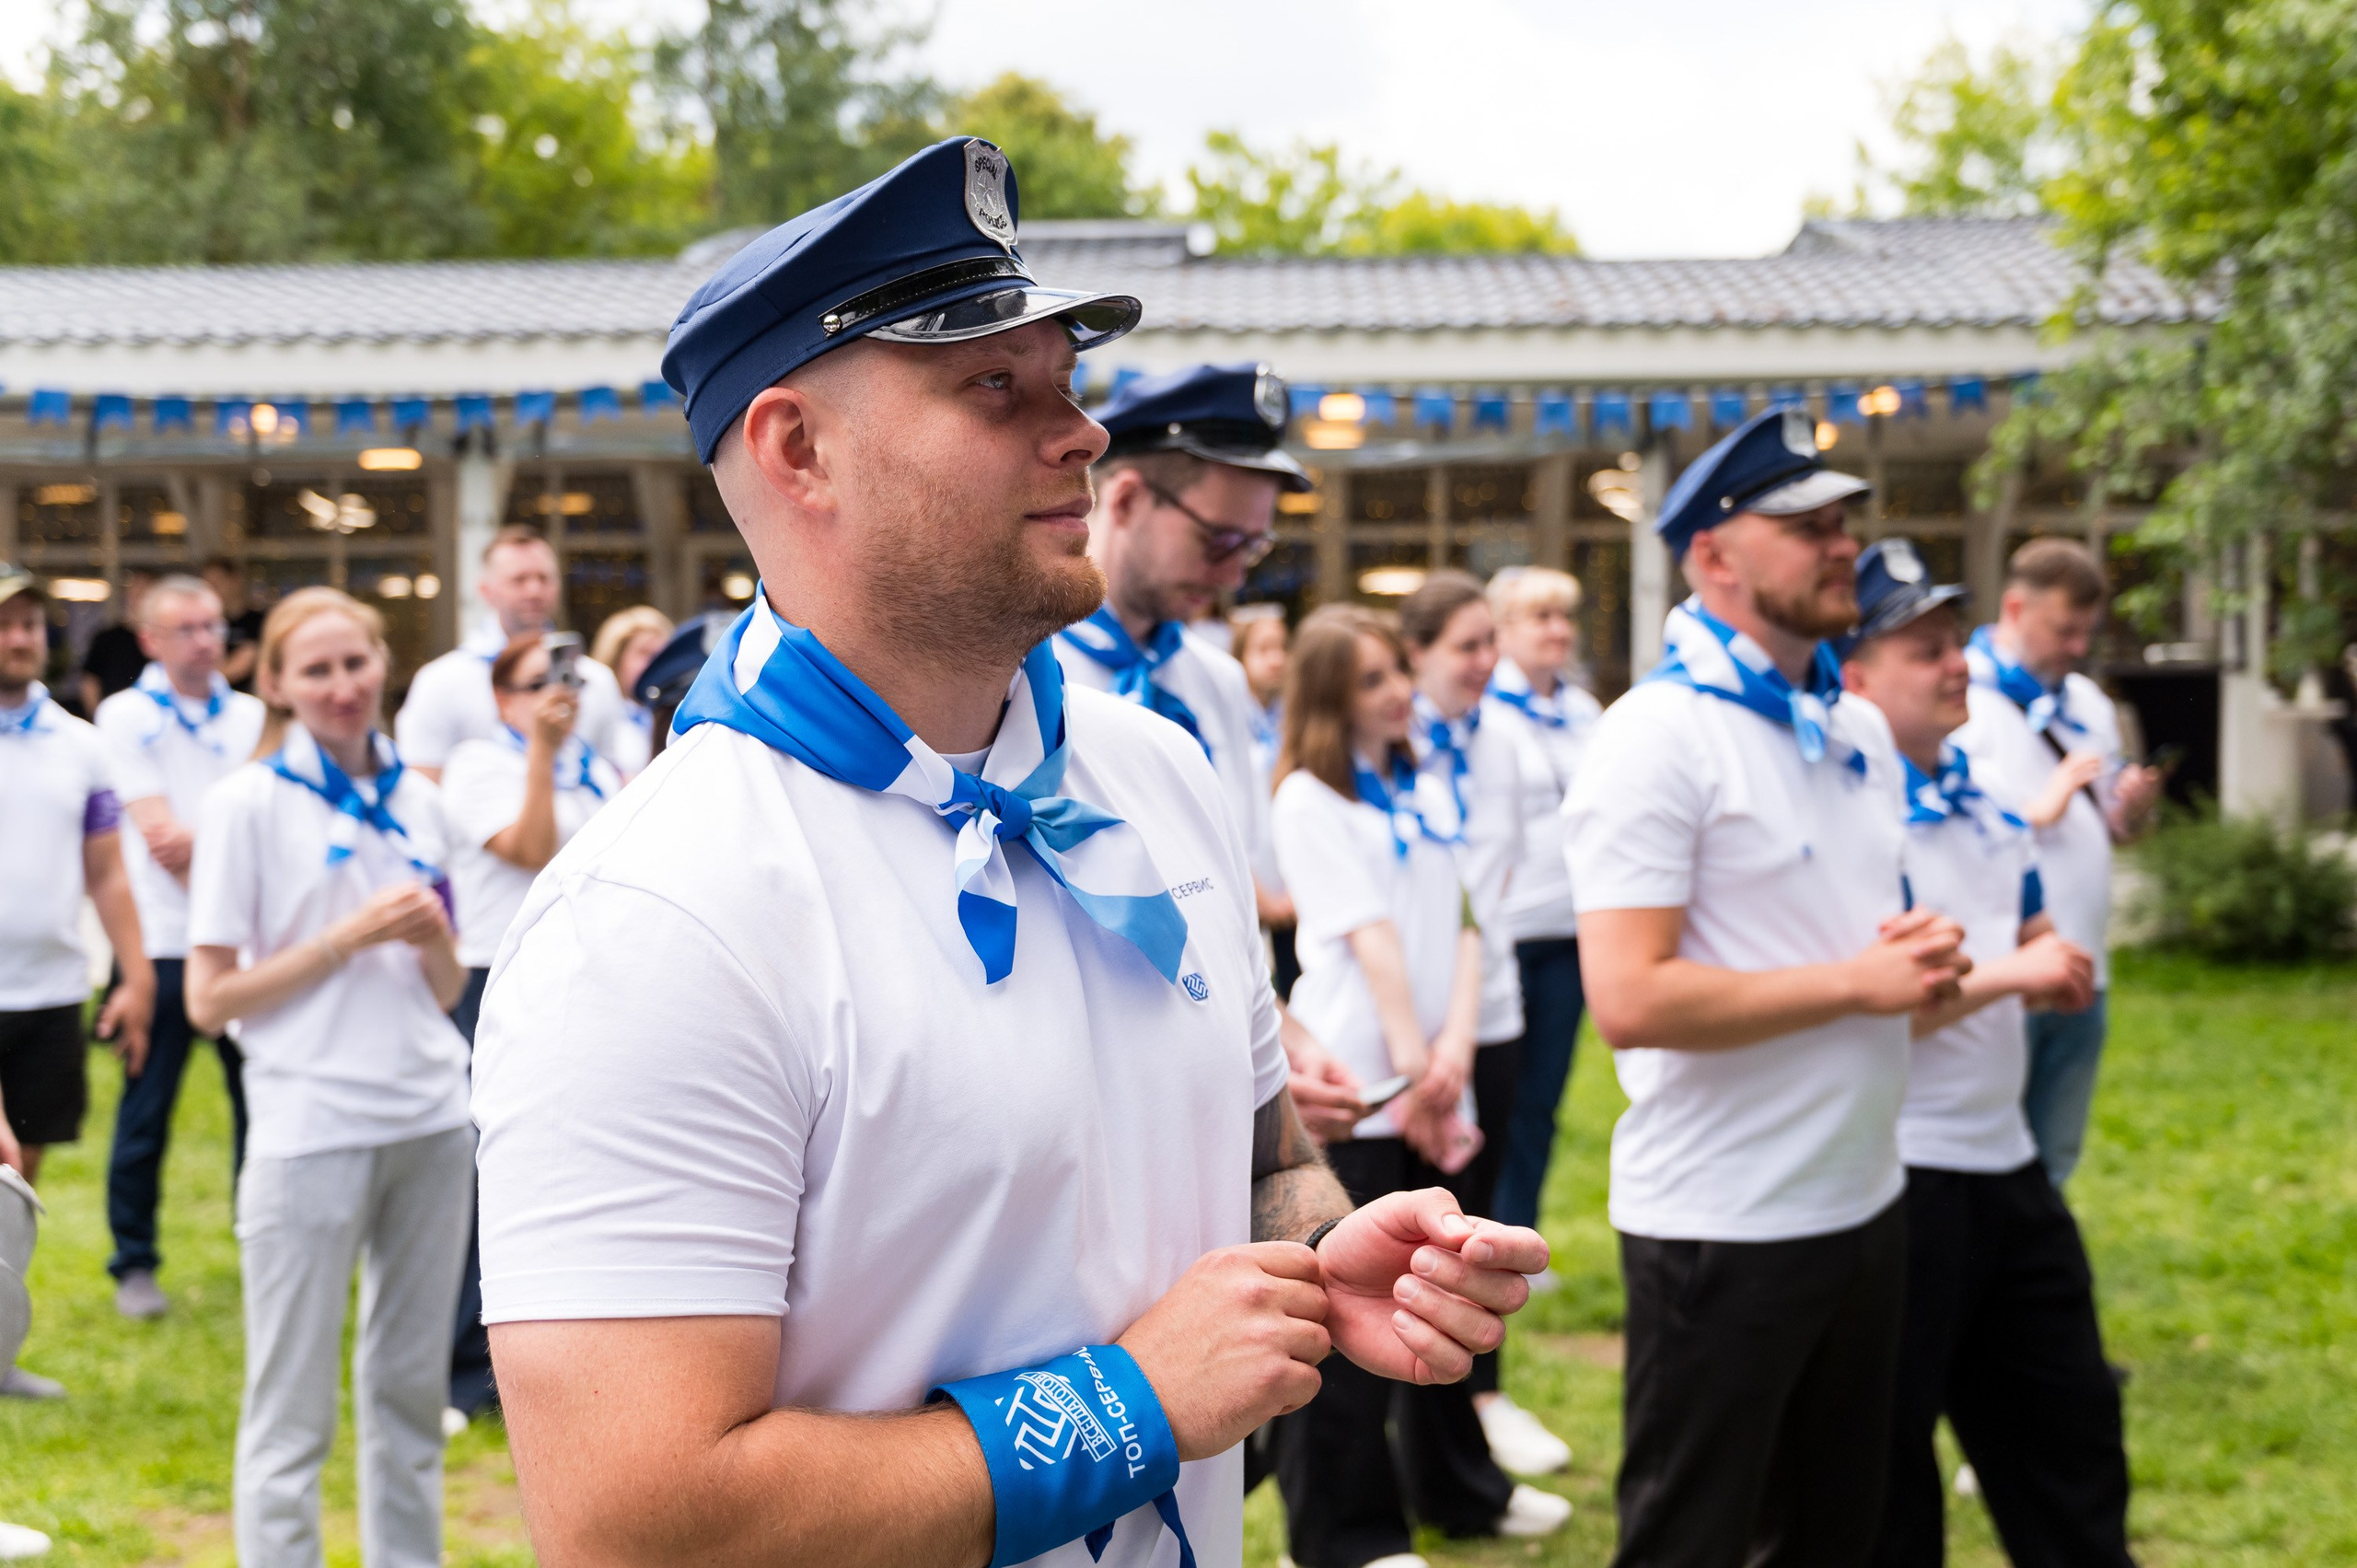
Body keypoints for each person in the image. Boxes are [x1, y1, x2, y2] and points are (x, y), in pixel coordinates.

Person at [469, 136, 1549, 1568]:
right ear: (798, 449)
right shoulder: (657, 916)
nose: (1085, 433)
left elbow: (1259, 1153)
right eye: (996, 386)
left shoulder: (1158, 773)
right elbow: (633, 1520)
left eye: (1069, 379)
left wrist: (1318, 1253)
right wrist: (1130, 1404)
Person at [1565, 408, 1970, 1568]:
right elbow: (1630, 997)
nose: (1843, 546)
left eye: (1843, 522)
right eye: (1806, 527)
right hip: (1724, 1221)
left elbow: (1857, 945)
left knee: (1838, 1534)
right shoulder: (1656, 735)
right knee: (1692, 1542)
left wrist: (1918, 955)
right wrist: (1859, 980)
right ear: (1713, 555)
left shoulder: (1855, 726)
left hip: (1865, 1196)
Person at [1834, 539, 2131, 1568]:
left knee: (2069, 1426)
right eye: (1923, 650)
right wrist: (2016, 972)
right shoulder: (1857, 826)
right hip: (1903, 1175)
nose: (1956, 662)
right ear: (1855, 678)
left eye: (1953, 640)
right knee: (1889, 1466)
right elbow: (1877, 1009)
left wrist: (2041, 963)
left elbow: (2036, 935)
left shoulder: (1985, 802)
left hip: (2003, 1159)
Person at [1270, 605, 1569, 1566]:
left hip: (1439, 1065)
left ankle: (1461, 1490)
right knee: (1347, 1311)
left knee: (1448, 1288)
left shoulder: (1425, 782)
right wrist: (1414, 1070)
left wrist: (1455, 1051)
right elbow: (1371, 936)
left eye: (1397, 669)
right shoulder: (1309, 798)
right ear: (1328, 697)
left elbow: (1473, 920)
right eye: (1371, 680)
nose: (1399, 691)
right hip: (1365, 1078)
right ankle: (1344, 1535)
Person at [184, 588, 473, 1568]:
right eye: (316, 669)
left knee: (410, 1394)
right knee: (291, 1406)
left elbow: (446, 991)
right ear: (275, 683)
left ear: (383, 663)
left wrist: (431, 940)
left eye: (355, 662)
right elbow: (209, 999)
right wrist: (343, 940)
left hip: (432, 1118)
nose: (342, 686)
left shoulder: (423, 800)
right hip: (309, 1125)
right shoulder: (246, 804)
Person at [1058, 363, 1365, 1144]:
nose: (1233, 572)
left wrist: (1279, 1041)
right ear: (1125, 498)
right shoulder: (1021, 672)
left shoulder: (1215, 681)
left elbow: (1228, 907)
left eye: (1253, 545)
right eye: (1218, 538)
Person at [1397, 571, 1573, 1480]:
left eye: (1486, 645)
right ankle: (1420, 1427)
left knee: (1482, 1209)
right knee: (1409, 1224)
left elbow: (1497, 866)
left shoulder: (1504, 739)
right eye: (1464, 646)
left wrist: (1471, 979)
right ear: (1417, 652)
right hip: (1406, 1014)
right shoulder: (1393, 733)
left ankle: (1480, 1400)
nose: (1482, 662)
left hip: (1490, 1000)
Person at [437, 630, 619, 1419]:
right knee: (488, 1169)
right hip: (494, 974)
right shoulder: (480, 764)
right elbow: (532, 849)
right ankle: (458, 1367)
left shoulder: (596, 766)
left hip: (580, 976)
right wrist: (541, 753)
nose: (558, 693)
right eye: (538, 680)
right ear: (502, 697)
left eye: (567, 677)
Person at [1955, 538, 2159, 1187]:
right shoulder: (1959, 693)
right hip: (2003, 967)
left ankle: (2042, 1241)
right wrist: (2038, 809)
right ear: (2016, 608)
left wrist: (2133, 809)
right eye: (2064, 630)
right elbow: (1936, 822)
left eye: (2086, 632)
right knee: (1993, 1146)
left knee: (2056, 1149)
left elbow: (2118, 831)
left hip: (2085, 963)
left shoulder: (2087, 702)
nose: (2077, 647)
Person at [0, 563, 155, 1400]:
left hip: (51, 991)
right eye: (5, 625)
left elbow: (108, 873)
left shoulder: (80, 745)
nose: (19, 638)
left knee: (19, 1182)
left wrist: (135, 973)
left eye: (29, 623)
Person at [92, 573, 263, 1321]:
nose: (204, 641)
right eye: (186, 628)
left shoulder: (255, 715)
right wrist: (232, 842)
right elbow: (163, 840)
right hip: (163, 940)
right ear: (149, 640)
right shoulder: (126, 714)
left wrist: (211, 840)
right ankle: (134, 1262)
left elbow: (270, 827)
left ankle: (264, 1242)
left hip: (244, 941)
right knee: (146, 1110)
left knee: (260, 1105)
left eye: (213, 626)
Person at [1480, 567, 1603, 1276]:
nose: (1558, 630)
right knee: (1493, 1095)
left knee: (1542, 1098)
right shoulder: (1485, 714)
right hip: (1505, 933)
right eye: (1540, 617)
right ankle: (1470, 1235)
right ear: (1502, 631)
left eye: (1564, 616)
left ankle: (1519, 1239)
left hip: (1569, 929)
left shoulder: (1584, 712)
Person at [394, 528, 628, 780]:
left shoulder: (596, 679)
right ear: (486, 591)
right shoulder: (442, 681)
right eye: (519, 580)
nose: (534, 591)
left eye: (544, 578)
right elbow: (423, 781)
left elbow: (617, 776)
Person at [1232, 605, 1299, 995]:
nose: (1276, 659)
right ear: (1238, 656)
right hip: (1246, 882)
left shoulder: (1290, 720)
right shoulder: (1228, 725)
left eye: (1281, 647)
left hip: (1293, 887)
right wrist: (1261, 895)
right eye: (1263, 649)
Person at [589, 605, 676, 779]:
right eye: (644, 653)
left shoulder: (673, 715)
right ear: (616, 658)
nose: (655, 664)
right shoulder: (593, 711)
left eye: (662, 656)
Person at [78, 568, 158, 714]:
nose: (140, 599)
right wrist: (99, 718)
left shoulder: (166, 641)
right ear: (128, 595)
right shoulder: (107, 638)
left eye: (145, 593)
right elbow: (90, 683)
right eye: (136, 593)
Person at [203, 556, 267, 691]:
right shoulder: (205, 623)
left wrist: (202, 683)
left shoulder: (257, 620)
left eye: (217, 583)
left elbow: (244, 663)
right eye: (208, 585)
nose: (212, 590)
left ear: (236, 581)